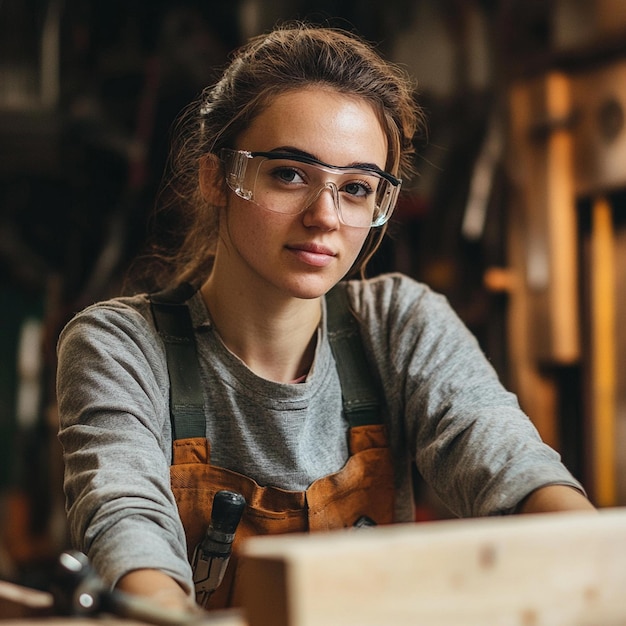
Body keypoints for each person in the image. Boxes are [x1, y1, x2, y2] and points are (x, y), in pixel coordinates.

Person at [56, 23, 595, 615]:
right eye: (289, 174)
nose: (325, 217)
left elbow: (509, 465)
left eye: (358, 187)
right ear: (218, 177)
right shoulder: (119, 347)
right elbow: (128, 525)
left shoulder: (398, 323)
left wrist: (593, 560)